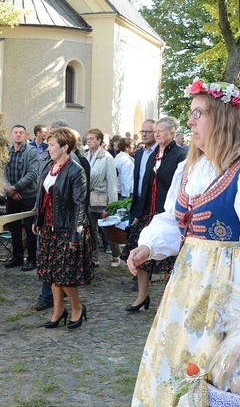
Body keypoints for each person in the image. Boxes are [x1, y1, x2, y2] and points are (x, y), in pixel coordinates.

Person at [127, 79, 240, 404]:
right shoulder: (190, 168)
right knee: (175, 360)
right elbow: (173, 219)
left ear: (223, 118)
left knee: (214, 374)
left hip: (227, 291)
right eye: (191, 113)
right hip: (186, 284)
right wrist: (149, 246)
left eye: (199, 113)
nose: (191, 121)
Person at [120, 117, 186, 310]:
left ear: (172, 134)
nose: (157, 134)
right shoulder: (151, 154)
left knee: (169, 262)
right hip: (149, 211)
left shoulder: (180, 156)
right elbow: (145, 185)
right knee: (141, 252)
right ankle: (142, 296)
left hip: (168, 213)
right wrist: (139, 213)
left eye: (161, 131)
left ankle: (165, 300)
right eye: (155, 131)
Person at [34, 127, 93, 329]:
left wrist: (75, 235)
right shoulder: (49, 167)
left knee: (65, 275)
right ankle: (58, 310)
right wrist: (38, 221)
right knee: (51, 273)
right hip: (49, 227)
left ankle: (77, 308)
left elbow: (79, 205)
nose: (48, 148)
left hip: (67, 229)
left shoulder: (76, 170)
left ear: (65, 147)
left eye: (52, 145)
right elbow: (41, 197)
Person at [3, 125, 40, 271]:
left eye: (21, 133)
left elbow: (32, 173)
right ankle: (17, 257)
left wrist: (16, 187)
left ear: (26, 136)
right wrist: (10, 190)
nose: (18, 135)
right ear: (11, 135)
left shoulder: (31, 151)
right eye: (16, 133)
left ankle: (32, 259)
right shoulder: (6, 151)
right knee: (14, 228)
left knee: (30, 229)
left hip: (29, 195)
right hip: (12, 195)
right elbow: (1, 173)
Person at [85, 128, 117, 261]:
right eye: (88, 139)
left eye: (92, 138)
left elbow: (112, 182)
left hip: (102, 197)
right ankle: (94, 256)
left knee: (107, 228)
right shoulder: (85, 155)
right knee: (91, 228)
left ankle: (116, 255)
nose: (89, 141)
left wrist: (112, 204)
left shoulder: (107, 157)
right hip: (89, 197)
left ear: (99, 140)